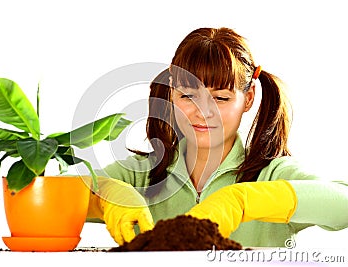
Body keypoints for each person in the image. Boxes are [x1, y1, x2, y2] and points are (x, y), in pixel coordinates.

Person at [86, 27, 348, 247]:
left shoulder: (271, 175)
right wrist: (106, 194)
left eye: (221, 98)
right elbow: (51, 193)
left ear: (248, 99)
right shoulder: (142, 175)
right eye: (187, 96)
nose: (203, 112)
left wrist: (242, 200)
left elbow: (343, 204)